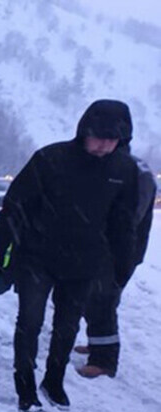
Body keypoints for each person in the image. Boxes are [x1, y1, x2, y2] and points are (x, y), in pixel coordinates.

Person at [0, 99, 138, 412]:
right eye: (98, 136)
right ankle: (25, 386)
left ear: (122, 139)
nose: (102, 145)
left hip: (84, 263)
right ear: (84, 131)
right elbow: (15, 206)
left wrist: (122, 266)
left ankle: (53, 380)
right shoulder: (51, 159)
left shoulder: (123, 171)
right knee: (30, 321)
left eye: (111, 140)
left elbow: (123, 224)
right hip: (37, 257)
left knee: (67, 326)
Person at [75, 111, 157, 378]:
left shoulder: (133, 170)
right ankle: (97, 343)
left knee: (102, 299)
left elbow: (130, 216)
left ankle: (104, 361)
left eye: (107, 137)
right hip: (102, 247)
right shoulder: (112, 165)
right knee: (94, 298)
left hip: (119, 249)